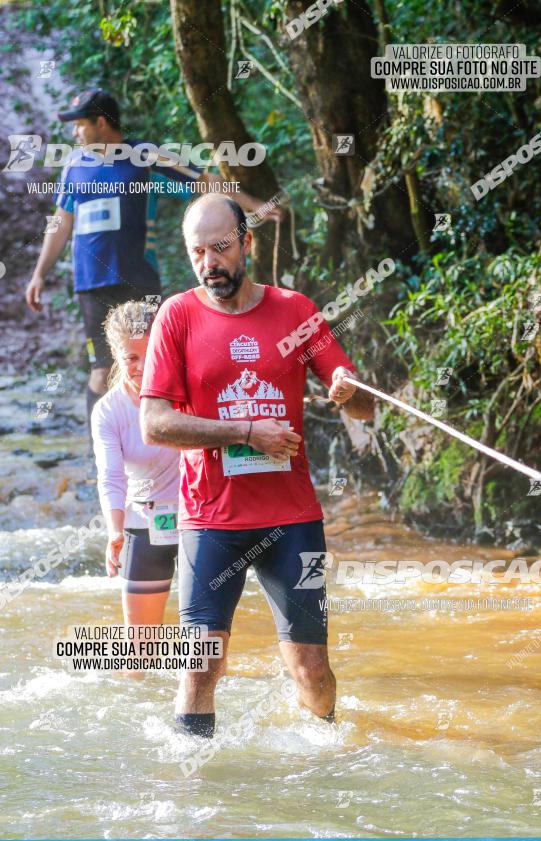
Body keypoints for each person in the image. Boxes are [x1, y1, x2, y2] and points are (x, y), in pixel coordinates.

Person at [140, 194, 375, 738]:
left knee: (311, 668)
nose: (209, 263)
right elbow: (155, 424)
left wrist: (347, 393)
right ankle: (189, 791)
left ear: (247, 242)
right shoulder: (177, 316)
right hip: (210, 521)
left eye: (220, 248)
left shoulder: (295, 310)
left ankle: (323, 769)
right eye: (197, 252)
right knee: (199, 666)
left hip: (292, 521)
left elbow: (365, 405)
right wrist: (247, 433)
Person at [24, 88, 282, 437]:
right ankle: (102, 456)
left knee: (153, 363)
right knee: (101, 371)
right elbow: (61, 222)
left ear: (101, 122)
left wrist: (257, 206)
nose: (74, 133)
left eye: (79, 125)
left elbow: (205, 180)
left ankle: (164, 443)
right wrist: (39, 274)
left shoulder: (143, 155)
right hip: (90, 284)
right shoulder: (74, 166)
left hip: (138, 279)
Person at [92, 300, 180, 625]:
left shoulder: (187, 391)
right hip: (144, 523)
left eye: (150, 354)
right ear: (116, 355)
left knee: (208, 644)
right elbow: (111, 478)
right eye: (131, 357)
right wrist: (115, 532)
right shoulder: (108, 411)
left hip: (199, 522)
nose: (142, 366)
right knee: (140, 653)